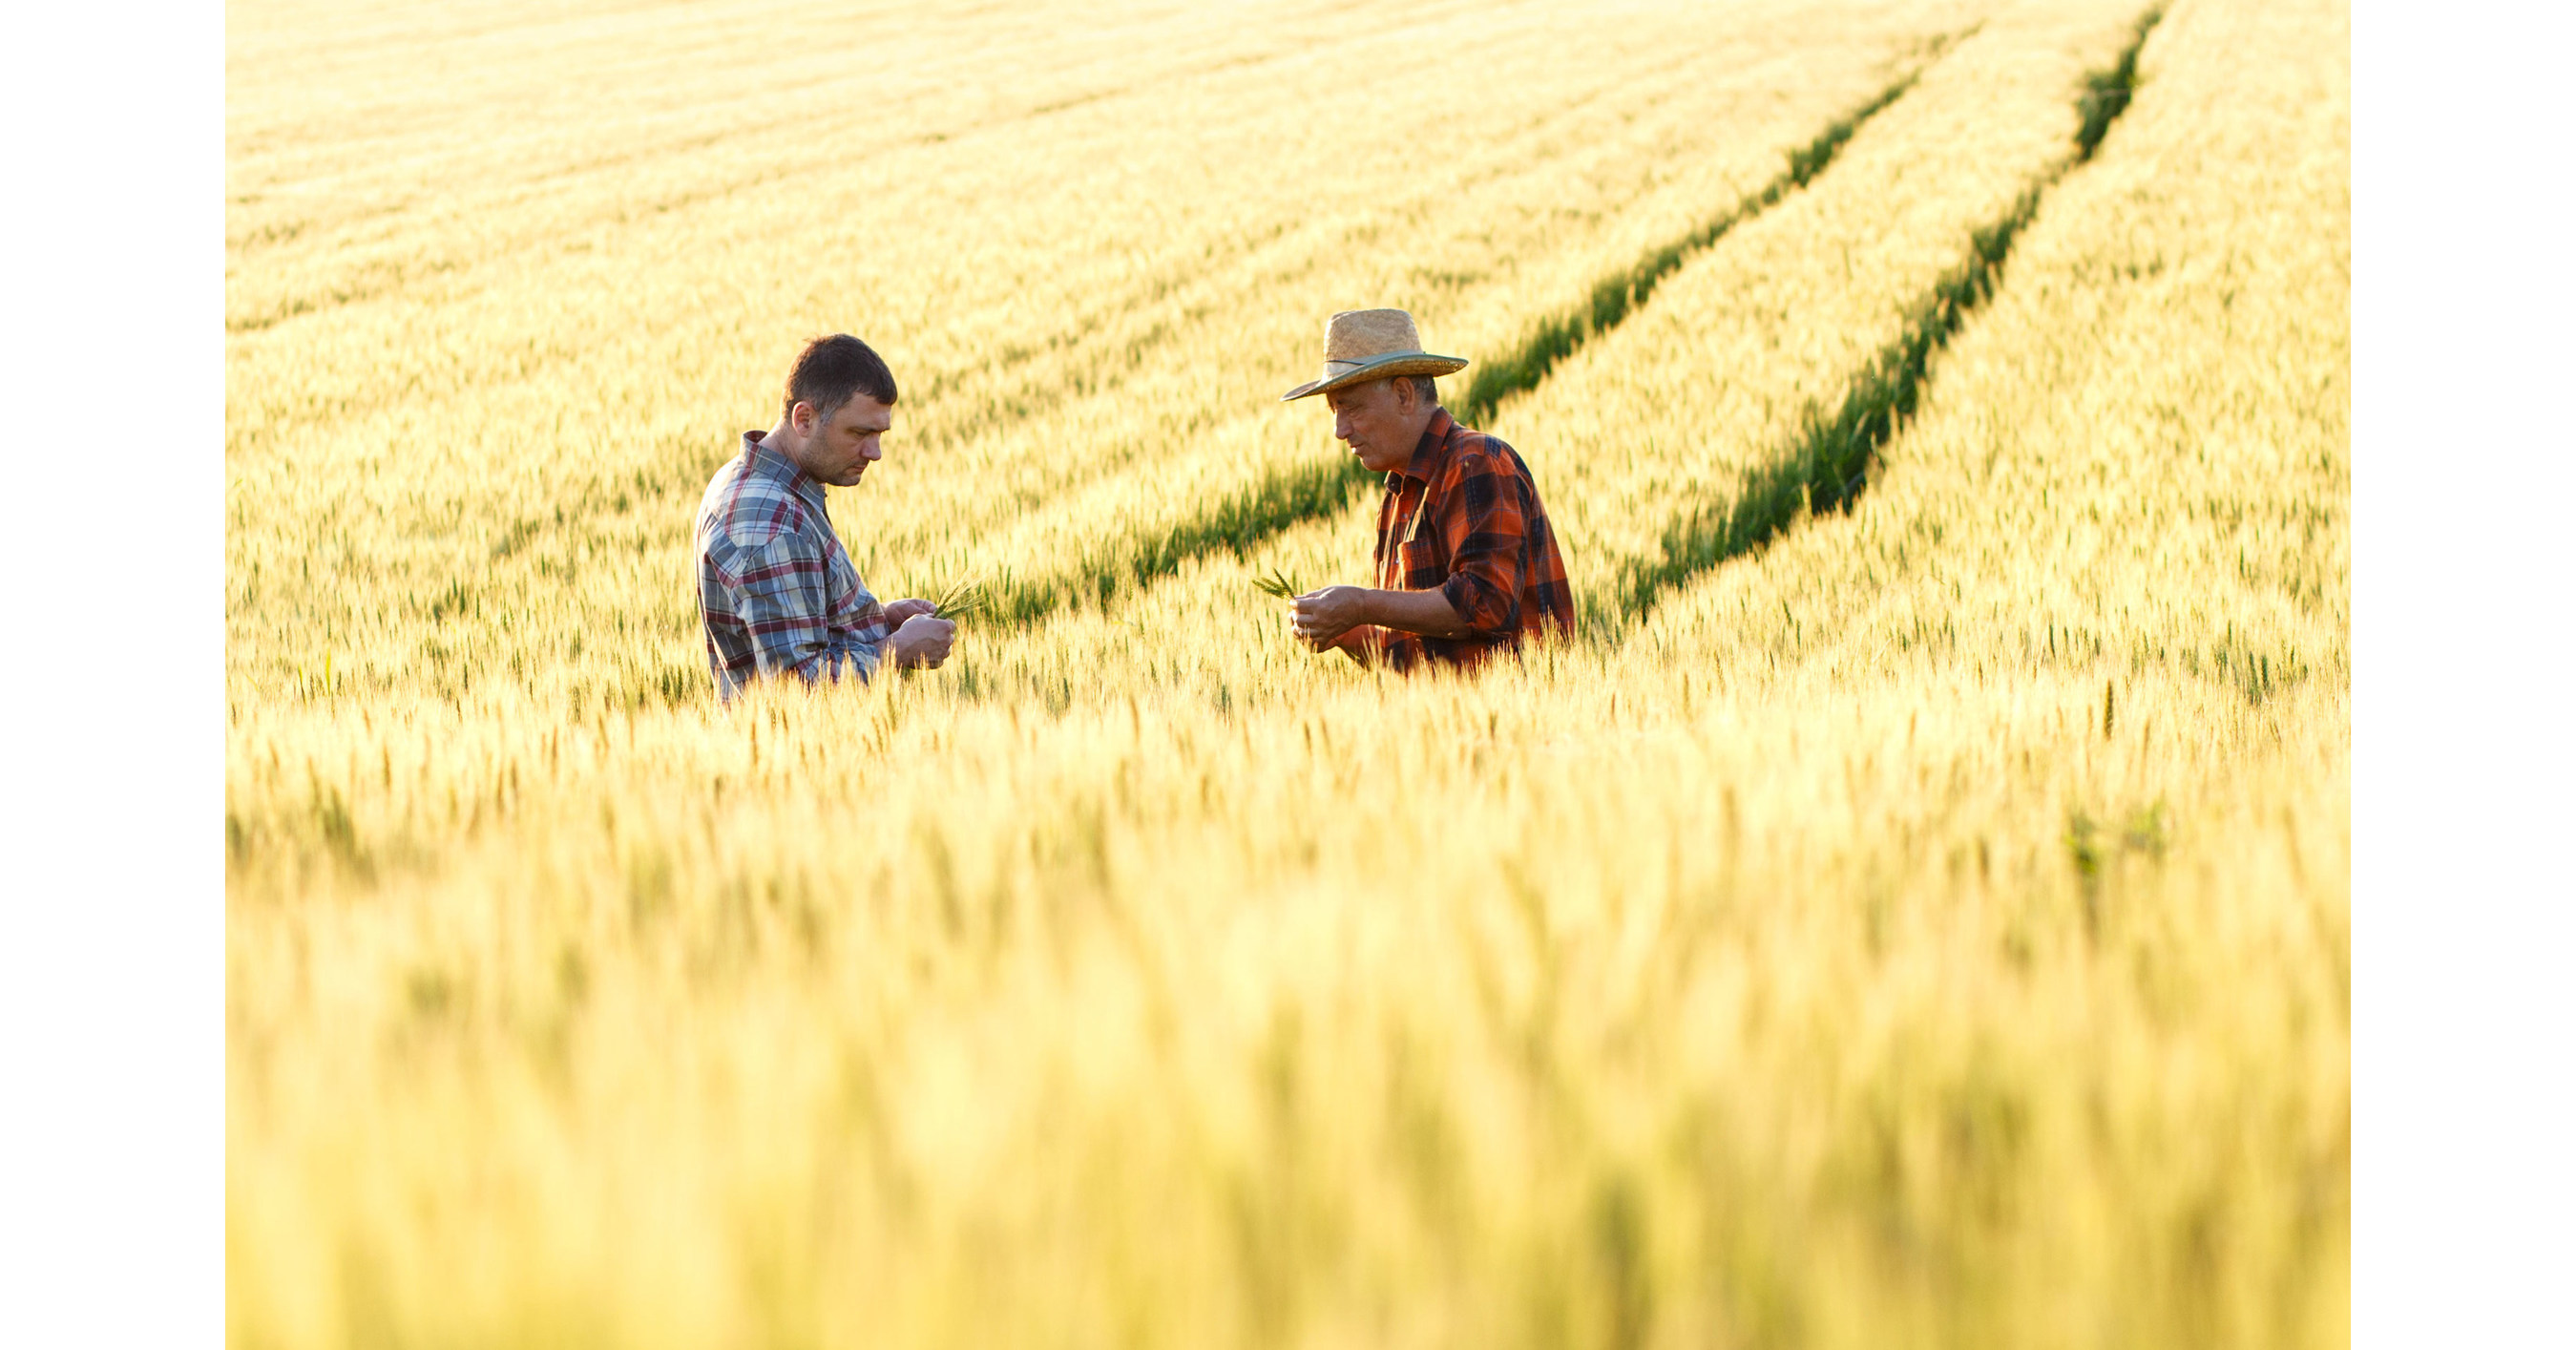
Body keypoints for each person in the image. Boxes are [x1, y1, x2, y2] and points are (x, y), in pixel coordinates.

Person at [1277, 308, 1574, 669]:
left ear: (1404, 395)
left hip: (1508, 721)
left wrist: (1361, 605)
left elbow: (1483, 604)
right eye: (1334, 411)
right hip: (1444, 723)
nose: (1340, 430)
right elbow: (1413, 653)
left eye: (1351, 408)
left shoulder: (1475, 462)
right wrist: (1342, 631)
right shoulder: (1397, 496)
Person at [695, 334, 954, 701]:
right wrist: (895, 652)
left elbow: (788, 622)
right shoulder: (771, 525)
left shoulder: (751, 479)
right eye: (860, 433)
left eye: (880, 433)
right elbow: (798, 687)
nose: (875, 452)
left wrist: (877, 619)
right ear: (804, 418)